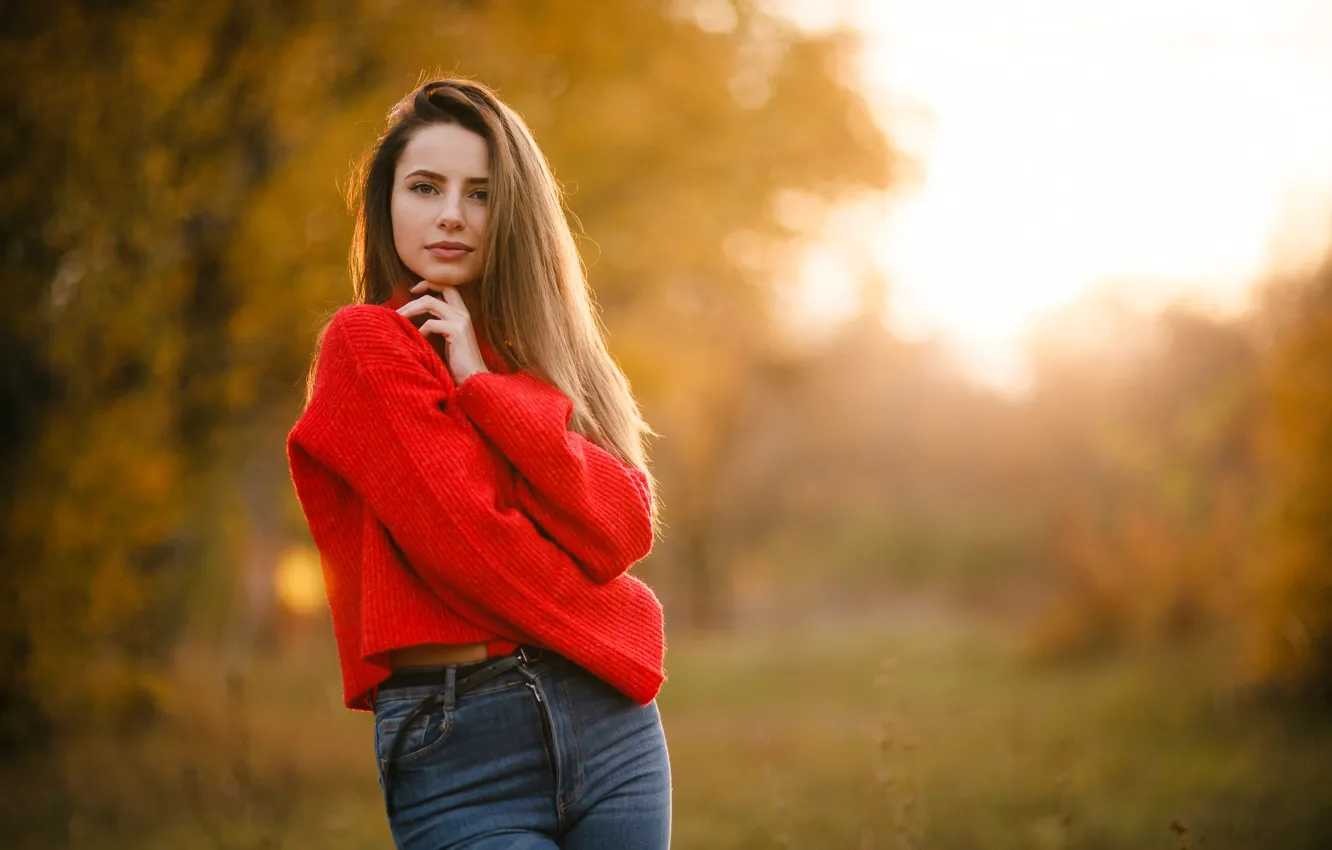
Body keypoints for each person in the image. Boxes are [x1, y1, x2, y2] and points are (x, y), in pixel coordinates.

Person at [286, 78, 672, 849]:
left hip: (612, 730)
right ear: (385, 202)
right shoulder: (365, 346)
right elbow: (472, 550)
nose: (452, 214)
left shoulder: (544, 355)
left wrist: (485, 387)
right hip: (458, 742)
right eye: (425, 187)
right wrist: (616, 616)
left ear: (513, 212)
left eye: (481, 193)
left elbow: (623, 528)